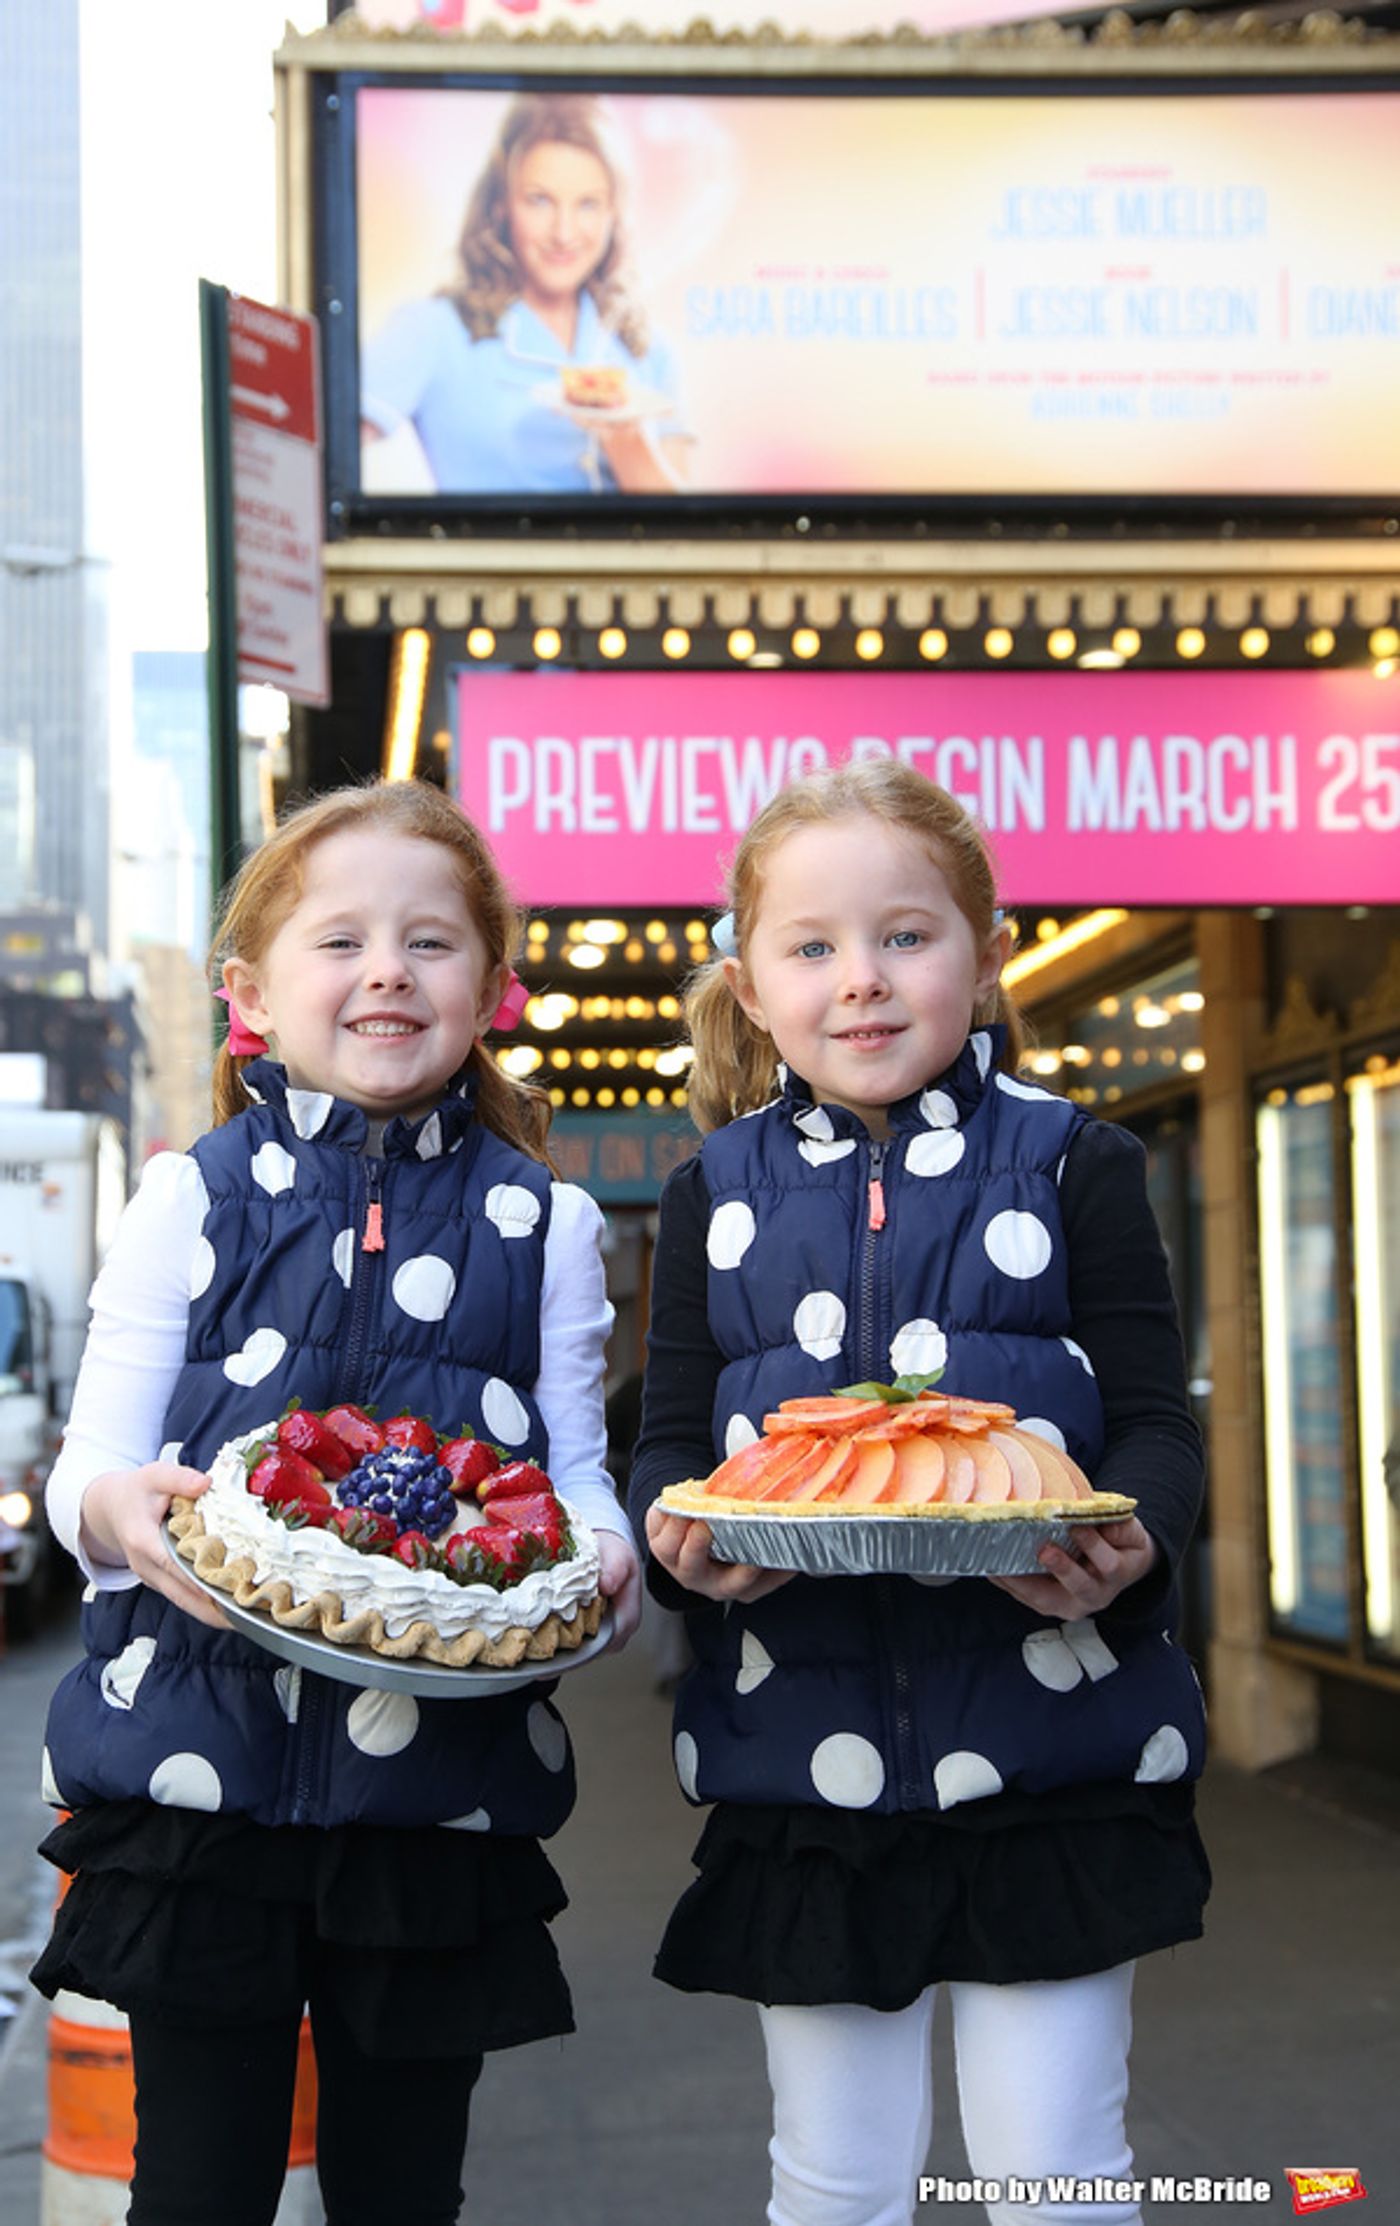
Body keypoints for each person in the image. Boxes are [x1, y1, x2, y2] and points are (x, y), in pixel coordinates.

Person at [31, 780, 641, 2226]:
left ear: (490, 988)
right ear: (251, 992)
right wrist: (119, 1508)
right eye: (341, 939)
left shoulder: (546, 1222)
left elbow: (573, 1479)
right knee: (196, 2189)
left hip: (435, 1792)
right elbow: (85, 1469)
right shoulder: (189, 1196)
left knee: (403, 2193)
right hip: (200, 1777)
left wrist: (609, 1565)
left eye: (430, 941)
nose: (387, 971)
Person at [629, 759, 1209, 2226]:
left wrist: (1133, 1543)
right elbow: (671, 1441)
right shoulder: (710, 1192)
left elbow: (1156, 1425)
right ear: (752, 987)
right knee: (832, 2184)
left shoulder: (1079, 1162)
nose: (861, 979)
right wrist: (682, 1541)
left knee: (1055, 2177)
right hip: (798, 1762)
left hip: (1055, 1754)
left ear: (987, 953)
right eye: (811, 946)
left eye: (905, 934)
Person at [360, 90, 692, 495]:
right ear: (500, 204)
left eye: (588, 204)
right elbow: (324, 448)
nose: (564, 233)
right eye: (539, 200)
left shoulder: (647, 349)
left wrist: (627, 441)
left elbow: (685, 526)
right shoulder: (434, 329)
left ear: (613, 213)